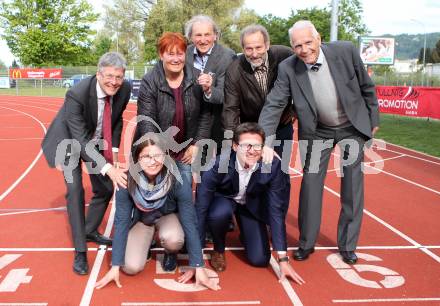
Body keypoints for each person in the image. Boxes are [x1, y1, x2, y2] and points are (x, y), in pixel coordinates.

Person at [258, 20, 379, 264]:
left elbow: (367, 87)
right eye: (297, 45)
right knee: (311, 186)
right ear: (292, 47)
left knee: (352, 188)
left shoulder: (346, 51)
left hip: (351, 127)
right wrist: (265, 140)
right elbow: (274, 104)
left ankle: (347, 246)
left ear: (319, 38)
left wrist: (373, 118)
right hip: (317, 132)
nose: (304, 49)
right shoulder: (288, 68)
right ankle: (306, 243)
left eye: (308, 42)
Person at [41, 52, 131, 275]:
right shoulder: (77, 93)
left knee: (106, 187)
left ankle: (90, 230)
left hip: (97, 138)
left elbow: (117, 119)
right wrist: (108, 167)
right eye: (109, 76)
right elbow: (80, 140)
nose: (114, 82)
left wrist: (115, 155)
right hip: (70, 141)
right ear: (99, 74)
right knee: (75, 190)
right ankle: (80, 251)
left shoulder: (125, 89)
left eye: (118, 77)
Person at [135, 32, 214, 284]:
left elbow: (206, 115)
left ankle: (172, 249)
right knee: (150, 194)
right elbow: (146, 121)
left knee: (183, 201)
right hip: (157, 152)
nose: (176, 57)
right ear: (161, 55)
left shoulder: (194, 78)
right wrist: (154, 154)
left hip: (185, 151)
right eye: (170, 52)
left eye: (180, 52)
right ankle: (144, 237)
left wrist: (197, 143)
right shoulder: (150, 80)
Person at [95, 136, 219, 290]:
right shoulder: (126, 180)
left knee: (174, 239)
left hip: (168, 217)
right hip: (143, 221)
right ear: (137, 159)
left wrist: (198, 266)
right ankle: (146, 244)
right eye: (146, 156)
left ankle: (170, 252)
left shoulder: (177, 180)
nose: (152, 161)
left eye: (158, 156)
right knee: (131, 267)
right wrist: (114, 267)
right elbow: (121, 222)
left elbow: (190, 221)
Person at [195, 122, 304, 285]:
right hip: (225, 200)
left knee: (260, 259)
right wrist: (195, 260)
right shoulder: (216, 165)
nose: (252, 151)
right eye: (246, 145)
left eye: (257, 146)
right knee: (218, 214)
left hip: (251, 205)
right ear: (234, 146)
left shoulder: (273, 166)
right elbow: (201, 208)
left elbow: (276, 211)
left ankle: (246, 234)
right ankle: (218, 249)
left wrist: (283, 259)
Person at [222, 24, 295, 158]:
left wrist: (294, 110)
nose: (254, 54)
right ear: (243, 49)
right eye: (249, 49)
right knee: (252, 174)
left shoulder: (285, 55)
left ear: (267, 45)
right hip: (251, 131)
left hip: (281, 127)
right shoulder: (234, 70)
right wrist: (234, 138)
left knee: (279, 170)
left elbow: (303, 80)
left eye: (258, 47)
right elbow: (230, 109)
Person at [185, 14, 235, 156]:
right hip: (191, 125)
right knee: (195, 172)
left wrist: (208, 89)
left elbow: (226, 95)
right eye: (198, 35)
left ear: (215, 36)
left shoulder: (228, 57)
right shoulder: (184, 54)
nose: (203, 40)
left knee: (222, 172)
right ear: (191, 37)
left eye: (207, 34)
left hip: (218, 125)